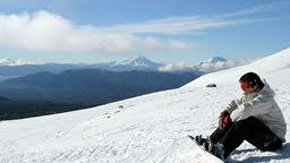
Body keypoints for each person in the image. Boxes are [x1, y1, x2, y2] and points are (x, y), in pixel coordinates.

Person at [195, 72, 287, 160]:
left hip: (273, 141)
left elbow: (245, 110)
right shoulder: (252, 94)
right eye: (242, 86)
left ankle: (221, 151)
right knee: (236, 117)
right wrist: (226, 113)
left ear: (255, 85)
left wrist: (229, 119)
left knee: (244, 122)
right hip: (265, 134)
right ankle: (211, 141)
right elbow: (237, 103)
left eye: (245, 86)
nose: (243, 89)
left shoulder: (265, 99)